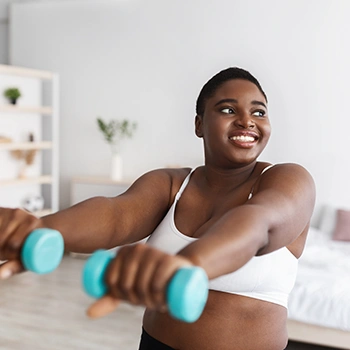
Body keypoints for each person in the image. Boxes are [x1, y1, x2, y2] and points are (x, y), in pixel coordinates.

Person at [0, 67, 315, 350]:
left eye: (259, 112)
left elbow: (256, 224)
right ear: (199, 124)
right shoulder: (171, 183)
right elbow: (115, 216)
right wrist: (39, 230)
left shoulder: (288, 180)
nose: (247, 121)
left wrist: (185, 265)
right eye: (228, 109)